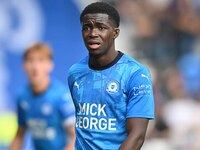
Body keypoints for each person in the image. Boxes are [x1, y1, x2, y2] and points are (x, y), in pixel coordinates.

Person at [67, 2, 154, 150]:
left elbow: (137, 135)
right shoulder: (75, 72)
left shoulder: (136, 74)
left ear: (115, 33)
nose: (93, 33)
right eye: (87, 27)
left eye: (101, 27)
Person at [10, 43, 75, 150]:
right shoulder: (22, 96)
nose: (35, 67)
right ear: (23, 65)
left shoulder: (61, 96)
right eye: (30, 60)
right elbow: (19, 134)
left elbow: (76, 137)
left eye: (41, 60)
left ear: (50, 65)